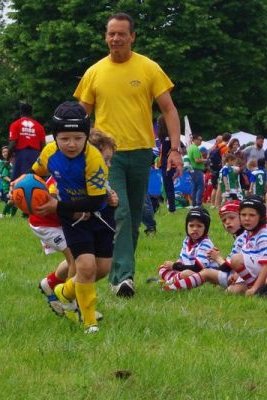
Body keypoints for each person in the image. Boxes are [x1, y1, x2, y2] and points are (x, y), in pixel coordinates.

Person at [74, 12, 182, 297]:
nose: (116, 38)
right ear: (105, 37)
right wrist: (74, 149)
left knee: (134, 218)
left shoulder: (149, 68)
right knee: (119, 211)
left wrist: (175, 150)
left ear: (132, 36)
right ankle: (123, 277)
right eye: (111, 33)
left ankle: (117, 271)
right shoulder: (94, 72)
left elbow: (169, 109)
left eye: (122, 33)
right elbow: (80, 115)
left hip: (142, 153)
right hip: (107, 155)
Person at [33, 101, 115, 334]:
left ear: (87, 136)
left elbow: (93, 201)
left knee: (102, 269)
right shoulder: (49, 153)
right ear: (55, 137)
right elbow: (35, 174)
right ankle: (89, 322)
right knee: (86, 267)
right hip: (72, 218)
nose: (71, 144)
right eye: (65, 138)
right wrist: (21, 187)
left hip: (101, 216)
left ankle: (64, 292)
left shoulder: (94, 160)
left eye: (78, 138)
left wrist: (56, 205)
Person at [157, 207, 218, 291]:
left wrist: (175, 266)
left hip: (203, 277)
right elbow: (182, 260)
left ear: (205, 228)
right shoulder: (187, 240)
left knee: (186, 274)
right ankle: (177, 281)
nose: (194, 229)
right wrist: (174, 265)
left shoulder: (205, 244)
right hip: (188, 270)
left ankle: (168, 285)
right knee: (163, 268)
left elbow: (198, 268)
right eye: (191, 225)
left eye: (199, 226)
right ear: (187, 226)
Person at [222, 196, 267, 295]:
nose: (246, 218)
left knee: (236, 259)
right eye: (243, 214)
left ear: (261, 217)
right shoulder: (247, 233)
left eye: (252, 215)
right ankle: (255, 287)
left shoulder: (263, 235)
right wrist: (237, 274)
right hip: (253, 274)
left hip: (263, 274)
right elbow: (246, 254)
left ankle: (258, 288)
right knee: (230, 292)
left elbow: (266, 264)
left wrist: (255, 288)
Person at [8, 102, 46, 180]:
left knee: (18, 181)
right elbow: (43, 146)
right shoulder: (40, 127)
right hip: (36, 155)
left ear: (20, 112)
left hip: (21, 156)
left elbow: (12, 144)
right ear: (31, 113)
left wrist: (8, 158)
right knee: (36, 180)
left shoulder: (15, 124)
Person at [188, 134, 206, 207]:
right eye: (200, 139)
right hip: (197, 169)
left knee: (194, 187)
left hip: (192, 169)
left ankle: (194, 204)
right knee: (200, 187)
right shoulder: (195, 148)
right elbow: (197, 160)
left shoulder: (191, 147)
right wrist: (205, 160)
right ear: (195, 140)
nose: (201, 141)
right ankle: (198, 204)